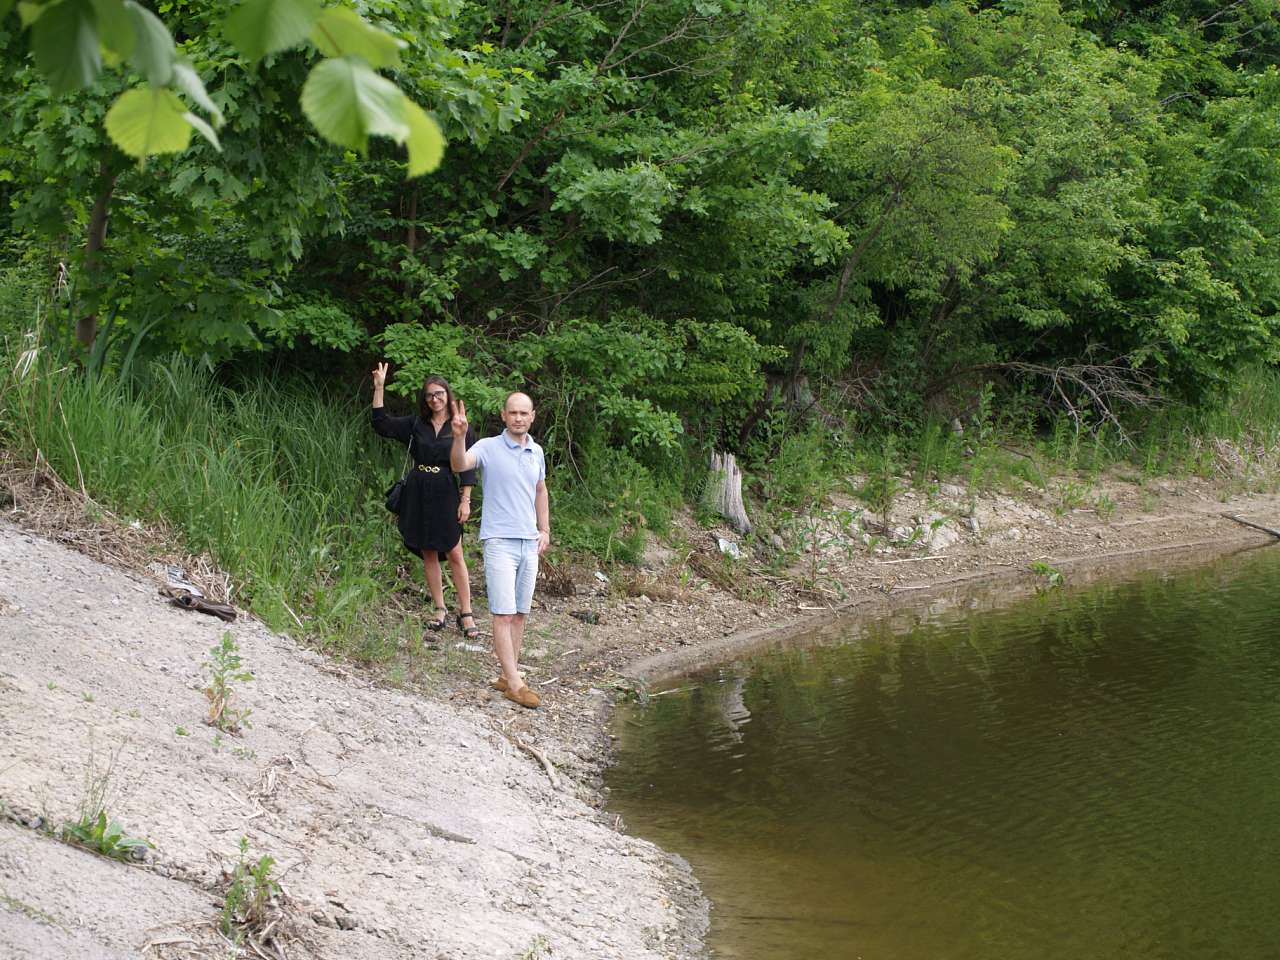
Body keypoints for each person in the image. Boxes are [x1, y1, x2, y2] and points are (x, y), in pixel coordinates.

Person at [449, 392, 550, 709]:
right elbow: (459, 464)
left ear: (532, 416)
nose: (518, 418)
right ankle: (516, 684)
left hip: (528, 542)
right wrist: (459, 437)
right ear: (504, 416)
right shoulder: (488, 447)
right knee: (503, 613)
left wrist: (544, 529)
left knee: (520, 613)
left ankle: (508, 675)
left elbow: (540, 489)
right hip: (499, 541)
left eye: (524, 413)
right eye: (513, 412)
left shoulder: (537, 451)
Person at [371, 364, 481, 641]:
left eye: (440, 393)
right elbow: (381, 423)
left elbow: (468, 467)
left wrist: (465, 500)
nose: (435, 399)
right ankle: (440, 609)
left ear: (448, 395)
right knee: (429, 552)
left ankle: (466, 612)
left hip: (445, 490)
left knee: (455, 552)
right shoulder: (415, 424)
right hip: (419, 489)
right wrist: (379, 387)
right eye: (430, 395)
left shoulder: (460, 425)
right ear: (425, 398)